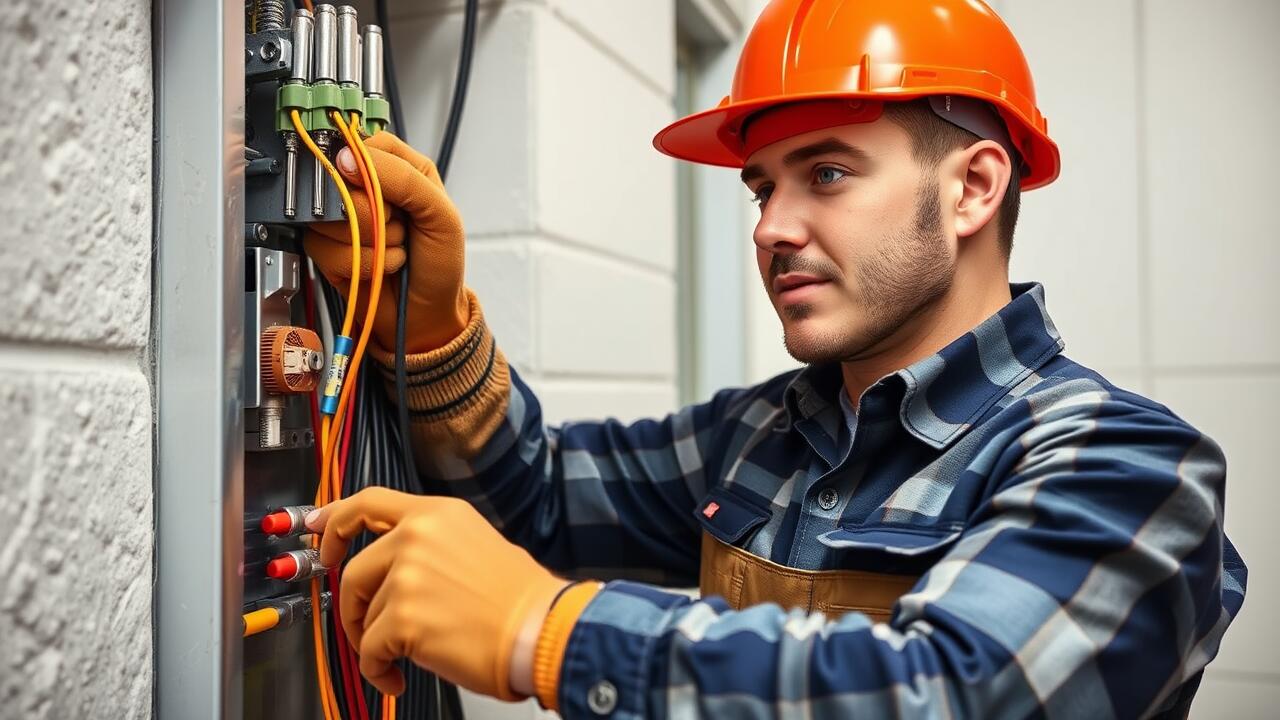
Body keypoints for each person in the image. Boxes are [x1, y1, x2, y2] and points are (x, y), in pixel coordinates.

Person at [303, 1, 1247, 717]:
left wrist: (543, 631)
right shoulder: (759, 434)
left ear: (974, 190)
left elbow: (953, 693)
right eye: (763, 189)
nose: (773, 228)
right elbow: (542, 493)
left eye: (827, 174)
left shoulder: (1128, 466)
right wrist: (427, 328)